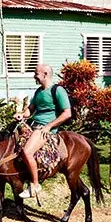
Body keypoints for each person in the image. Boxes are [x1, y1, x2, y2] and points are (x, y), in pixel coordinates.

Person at [13, 64, 72, 199]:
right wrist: (22, 115)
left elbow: (67, 113)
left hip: (43, 129)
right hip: (32, 125)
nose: (34, 76)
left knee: (27, 152)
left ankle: (35, 185)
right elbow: (31, 109)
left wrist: (49, 126)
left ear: (45, 74)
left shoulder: (58, 90)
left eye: (36, 73)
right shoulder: (39, 91)